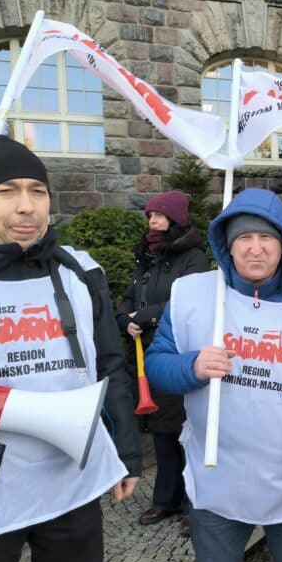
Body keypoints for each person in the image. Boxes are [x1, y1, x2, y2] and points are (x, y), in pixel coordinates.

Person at [0, 135, 142, 562]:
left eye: (37, 191)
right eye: (6, 192)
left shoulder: (79, 270)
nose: (27, 206)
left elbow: (108, 366)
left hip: (69, 482)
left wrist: (126, 454)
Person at [145, 188, 282, 562]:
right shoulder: (194, 295)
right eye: (244, 237)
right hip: (216, 480)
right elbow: (156, 365)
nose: (255, 249)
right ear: (228, 244)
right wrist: (191, 366)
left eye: (266, 238)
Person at [115, 190, 208, 536]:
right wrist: (124, 319)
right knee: (160, 432)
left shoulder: (192, 257)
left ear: (175, 218)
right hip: (144, 357)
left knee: (182, 430)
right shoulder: (147, 256)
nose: (152, 220)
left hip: (176, 352)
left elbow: (188, 300)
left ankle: (191, 503)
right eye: (150, 215)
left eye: (158, 215)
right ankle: (165, 498)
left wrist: (148, 316)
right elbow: (128, 298)